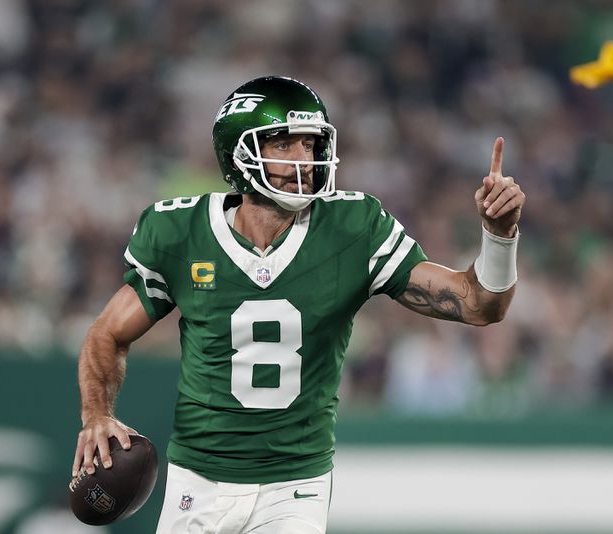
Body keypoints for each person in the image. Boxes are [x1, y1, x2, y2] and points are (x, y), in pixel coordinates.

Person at [72, 76, 525, 534]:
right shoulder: (179, 232)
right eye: (284, 145)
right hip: (200, 481)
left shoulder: (353, 228)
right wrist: (96, 414)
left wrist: (499, 236)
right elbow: (106, 334)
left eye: (311, 145)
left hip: (296, 485)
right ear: (238, 154)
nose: (305, 160)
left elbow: (480, 305)